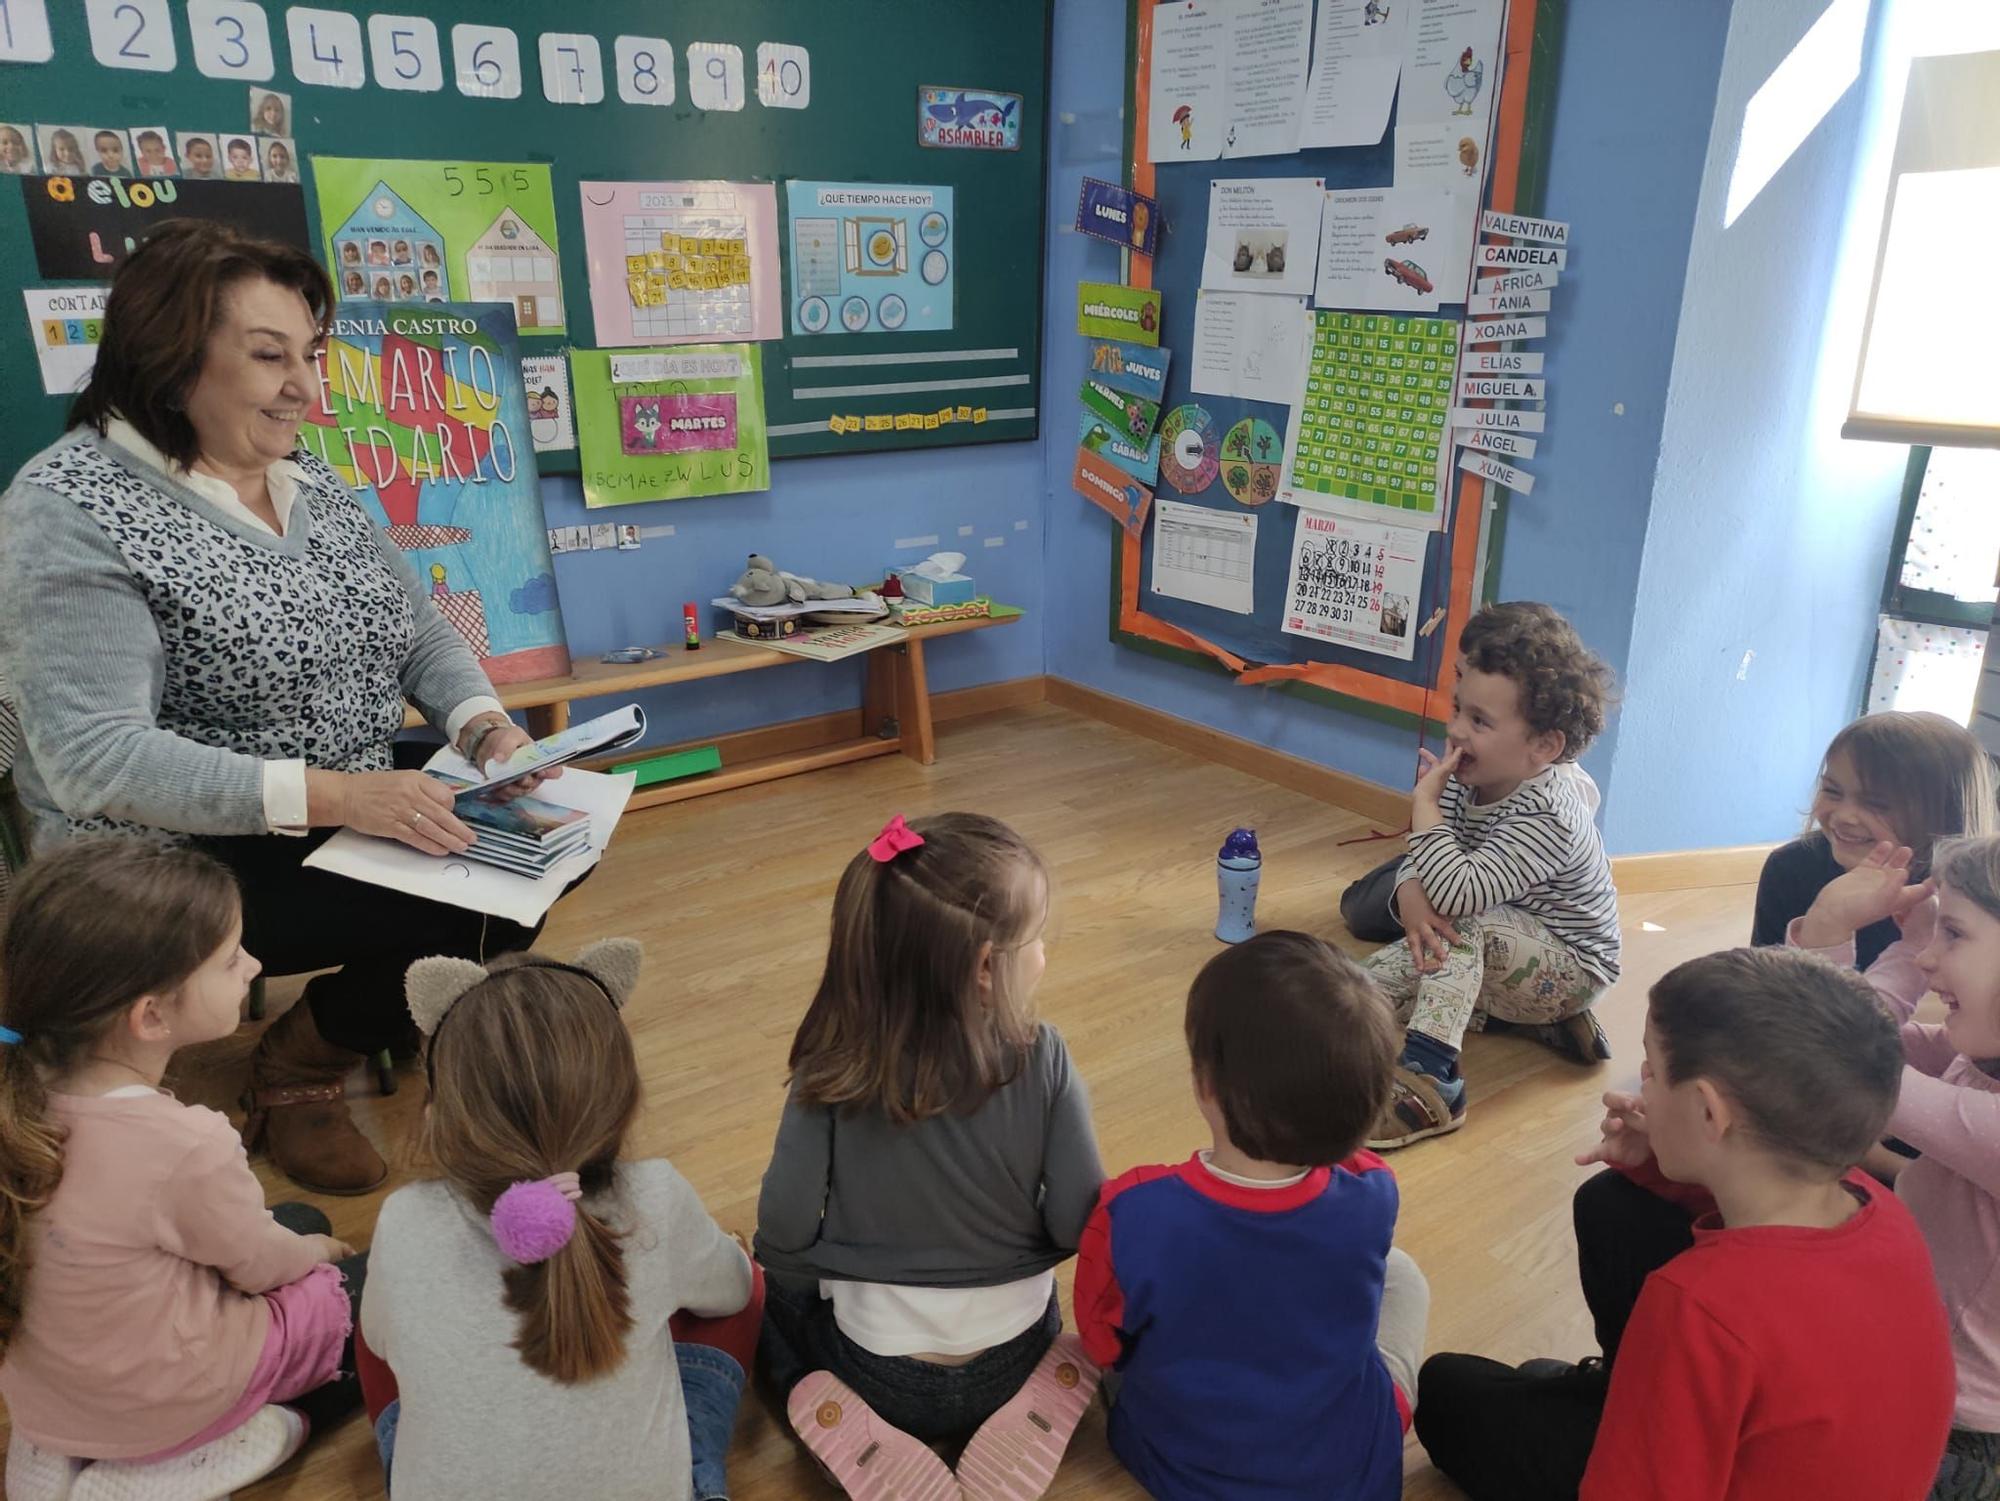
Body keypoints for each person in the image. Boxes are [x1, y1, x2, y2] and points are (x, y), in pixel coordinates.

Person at [0, 220, 570, 1196]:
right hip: (163, 853)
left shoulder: (312, 485)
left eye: (310, 354)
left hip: (336, 799)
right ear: (168, 359)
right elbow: (96, 757)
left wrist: (483, 725)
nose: (306, 384)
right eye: (269, 356)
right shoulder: (72, 504)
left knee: (535, 855)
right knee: (477, 893)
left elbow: (420, 630)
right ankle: (307, 1071)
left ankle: (309, 1046)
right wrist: (346, 797)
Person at [1414, 947, 1956, 1501]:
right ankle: (1621, 1395)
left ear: (1706, 1112)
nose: (1642, 1080)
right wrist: (1662, 1153)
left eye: (1652, 1067)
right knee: (1612, 1203)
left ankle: (1624, 1405)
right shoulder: (1874, 1203)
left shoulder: (1696, 1304)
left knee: (1445, 1388)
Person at [754, 813, 1105, 1501]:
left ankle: (821, 1404)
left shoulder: (832, 1063)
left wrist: (791, 1285)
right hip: (1017, 1353)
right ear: (983, 969)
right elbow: (1076, 1224)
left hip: (877, 1370)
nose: (1042, 954)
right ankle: (1043, 1397)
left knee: (756, 1299)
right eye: (1035, 940)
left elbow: (785, 1226)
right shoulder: (1045, 1054)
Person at [0, 840, 366, 1499]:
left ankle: (61, 1449)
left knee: (293, 1219)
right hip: (168, 1398)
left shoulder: (16, 1098)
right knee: (365, 1280)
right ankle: (211, 1446)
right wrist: (318, 1253)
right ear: (150, 1014)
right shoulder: (181, 1142)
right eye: (232, 959)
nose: (254, 965)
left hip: (54, 1391)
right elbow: (261, 1262)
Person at [358, 941, 762, 1501]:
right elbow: (733, 1295)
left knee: (373, 1331)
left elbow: (381, 1342)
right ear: (621, 1101)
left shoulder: (403, 1219)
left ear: (438, 1111)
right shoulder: (655, 1197)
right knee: (743, 1282)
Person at [1074, 931, 1425, 1501]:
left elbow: (1102, 1345)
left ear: (1204, 1083)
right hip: (1350, 1472)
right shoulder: (1373, 1192)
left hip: (1181, 1467)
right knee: (1404, 1278)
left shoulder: (1132, 1210)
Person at [1773, 834, 2000, 1497]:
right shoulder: (1980, 1061)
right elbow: (1855, 1033)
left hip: (1952, 1434)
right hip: (1901, 1360)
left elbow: (1842, 1055)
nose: (1931, 956)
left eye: (1953, 933)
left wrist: (1840, 930)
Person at [1362, 602, 1621, 1149]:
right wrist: (1409, 890)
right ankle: (1529, 1023)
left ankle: (1431, 1084)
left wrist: (1423, 809)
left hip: (1571, 966)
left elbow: (1455, 893)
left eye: (1479, 721)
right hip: (1502, 936)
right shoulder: (1470, 775)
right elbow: (1435, 871)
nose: (1455, 730)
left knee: (1457, 927)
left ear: (1544, 747)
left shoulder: (1550, 811)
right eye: (1459, 708)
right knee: (1377, 978)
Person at [1752, 711, 1996, 969]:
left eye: (1876, 804)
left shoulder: (1972, 896)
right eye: (1832, 792)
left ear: (1947, 815)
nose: (1844, 816)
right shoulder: (1791, 868)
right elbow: (1761, 989)